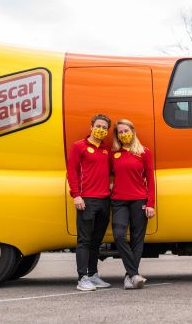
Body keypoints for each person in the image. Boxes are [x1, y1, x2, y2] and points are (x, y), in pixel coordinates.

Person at [66, 113, 113, 291]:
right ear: (91, 126)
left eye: (104, 128)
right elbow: (72, 171)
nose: (101, 130)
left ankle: (93, 274)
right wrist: (76, 195)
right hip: (86, 200)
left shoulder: (106, 149)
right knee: (84, 240)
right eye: (98, 126)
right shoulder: (79, 147)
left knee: (96, 241)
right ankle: (82, 278)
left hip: (104, 200)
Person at [110, 119, 156, 290]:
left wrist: (150, 203)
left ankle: (129, 277)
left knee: (137, 239)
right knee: (119, 235)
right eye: (120, 132)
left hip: (139, 201)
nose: (123, 134)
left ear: (133, 131)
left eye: (125, 130)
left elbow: (150, 180)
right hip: (119, 201)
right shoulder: (113, 153)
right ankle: (133, 274)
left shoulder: (144, 152)